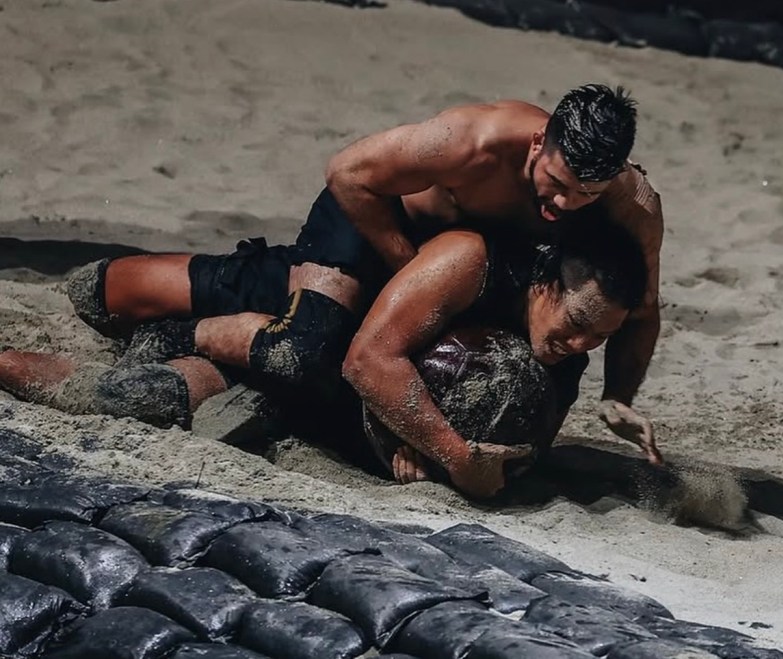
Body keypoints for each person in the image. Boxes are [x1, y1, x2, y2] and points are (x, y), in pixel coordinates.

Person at [0, 204, 646, 498]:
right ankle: (194, 331)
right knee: (100, 293)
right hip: (331, 321)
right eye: (577, 323)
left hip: (338, 397)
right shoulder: (470, 261)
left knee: (142, 399)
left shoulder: (566, 353)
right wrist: (449, 451)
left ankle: (196, 354)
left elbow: (515, 455)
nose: (580, 344)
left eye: (599, 336)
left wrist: (424, 449)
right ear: (545, 284)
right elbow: (368, 359)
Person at [326, 83, 664, 466]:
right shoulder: (472, 142)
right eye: (556, 182)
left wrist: (617, 396)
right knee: (305, 352)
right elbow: (348, 174)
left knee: (546, 366)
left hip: (473, 269)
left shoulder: (633, 207)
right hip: (387, 225)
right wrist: (408, 269)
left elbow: (642, 308)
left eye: (586, 194)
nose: (564, 203)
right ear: (538, 143)